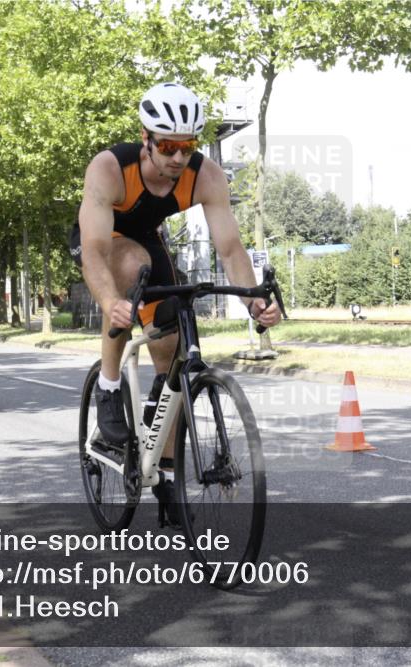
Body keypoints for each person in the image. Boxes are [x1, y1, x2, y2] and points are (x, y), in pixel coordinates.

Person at [73, 82, 281, 517]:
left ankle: (165, 472)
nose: (177, 158)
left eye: (187, 147)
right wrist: (110, 300)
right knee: (130, 265)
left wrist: (253, 302)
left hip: (148, 242)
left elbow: (230, 249)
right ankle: (109, 387)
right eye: (168, 146)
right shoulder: (110, 168)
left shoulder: (207, 176)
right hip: (101, 241)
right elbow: (94, 250)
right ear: (146, 139)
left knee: (174, 350)